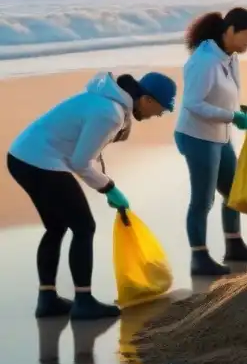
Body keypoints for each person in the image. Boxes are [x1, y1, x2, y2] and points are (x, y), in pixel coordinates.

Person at [7, 71, 176, 319]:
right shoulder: (110, 113)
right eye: (161, 110)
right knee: (84, 227)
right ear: (148, 100)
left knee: (56, 227)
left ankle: (48, 300)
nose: (158, 115)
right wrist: (108, 187)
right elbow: (80, 162)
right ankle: (84, 301)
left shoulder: (106, 101)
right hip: (42, 161)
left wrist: (104, 184)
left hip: (21, 157)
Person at [175, 8, 247, 277]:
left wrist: (241, 108)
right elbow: (192, 104)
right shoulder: (203, 61)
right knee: (203, 200)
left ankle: (234, 245)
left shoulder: (230, 57)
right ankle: (199, 258)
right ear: (230, 31)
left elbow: (224, 93)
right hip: (197, 137)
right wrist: (231, 115)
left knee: (235, 192)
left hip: (221, 136)